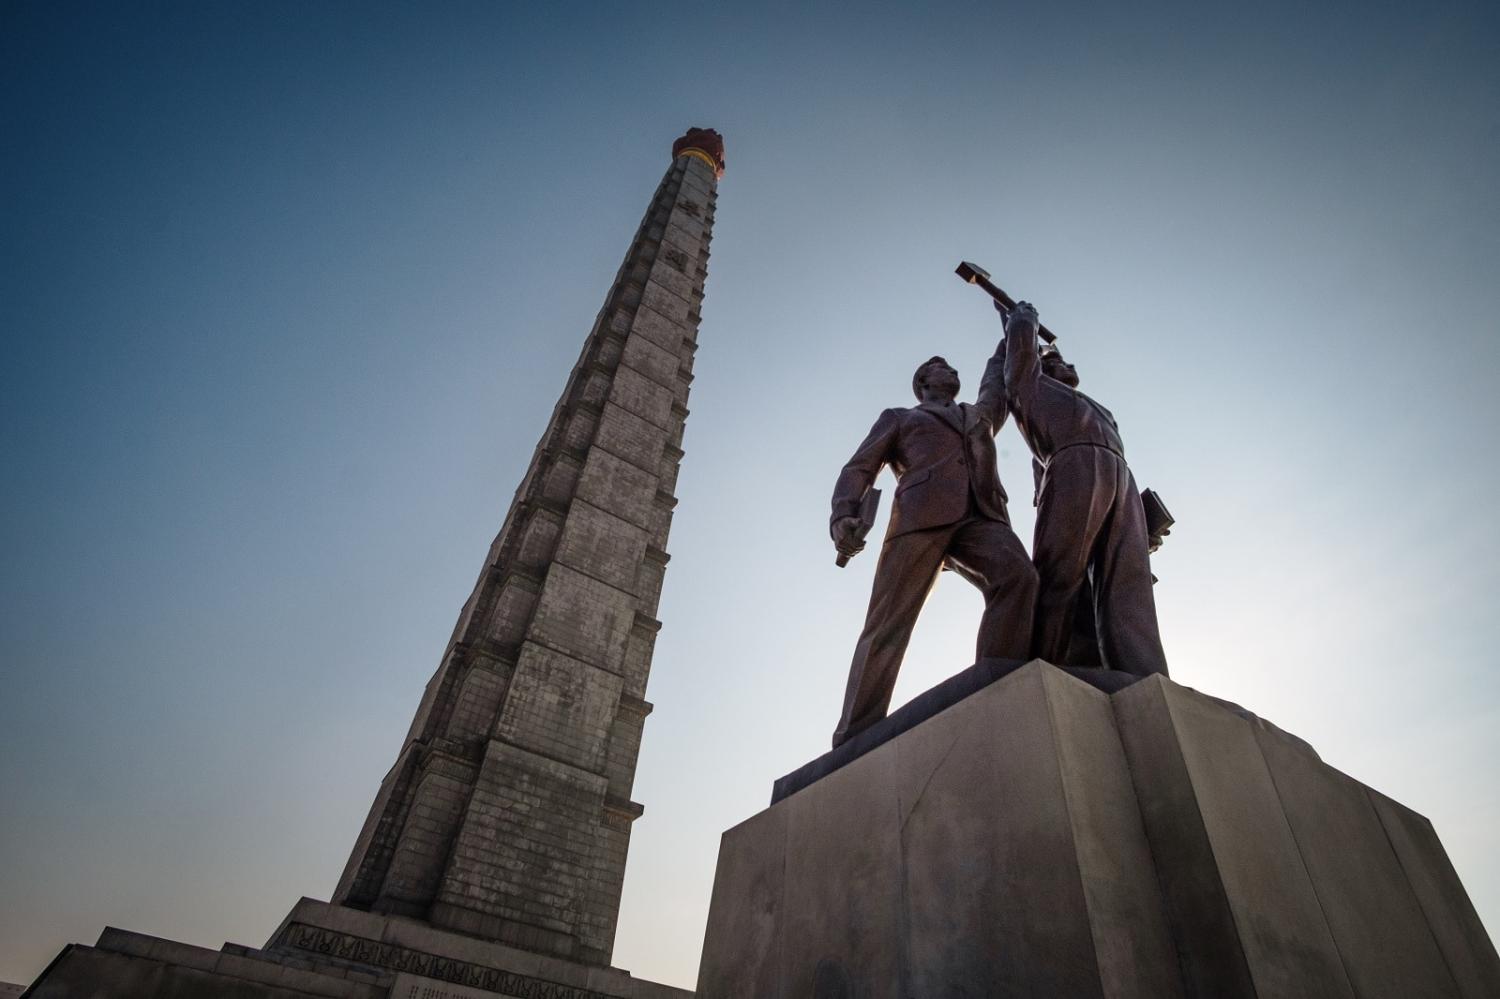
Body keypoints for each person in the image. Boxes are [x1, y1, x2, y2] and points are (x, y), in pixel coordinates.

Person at [829, 339, 1038, 748]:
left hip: (981, 517)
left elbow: (996, 386)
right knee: (889, 623)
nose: (951, 370)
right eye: (941, 366)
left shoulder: (978, 415)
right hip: (919, 520)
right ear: (923, 382)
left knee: (1020, 577)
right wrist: (843, 515)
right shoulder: (900, 417)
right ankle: (854, 734)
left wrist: (1009, 339)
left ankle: (999, 677)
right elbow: (859, 467)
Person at [1001, 301, 1168, 677]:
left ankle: (1144, 676)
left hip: (1119, 474)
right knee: (1060, 575)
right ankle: (1045, 666)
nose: (1065, 362)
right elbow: (1018, 369)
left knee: (1129, 585)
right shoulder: (1033, 389)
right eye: (1052, 359)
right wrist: (1020, 322)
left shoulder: (1101, 408)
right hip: (1072, 463)